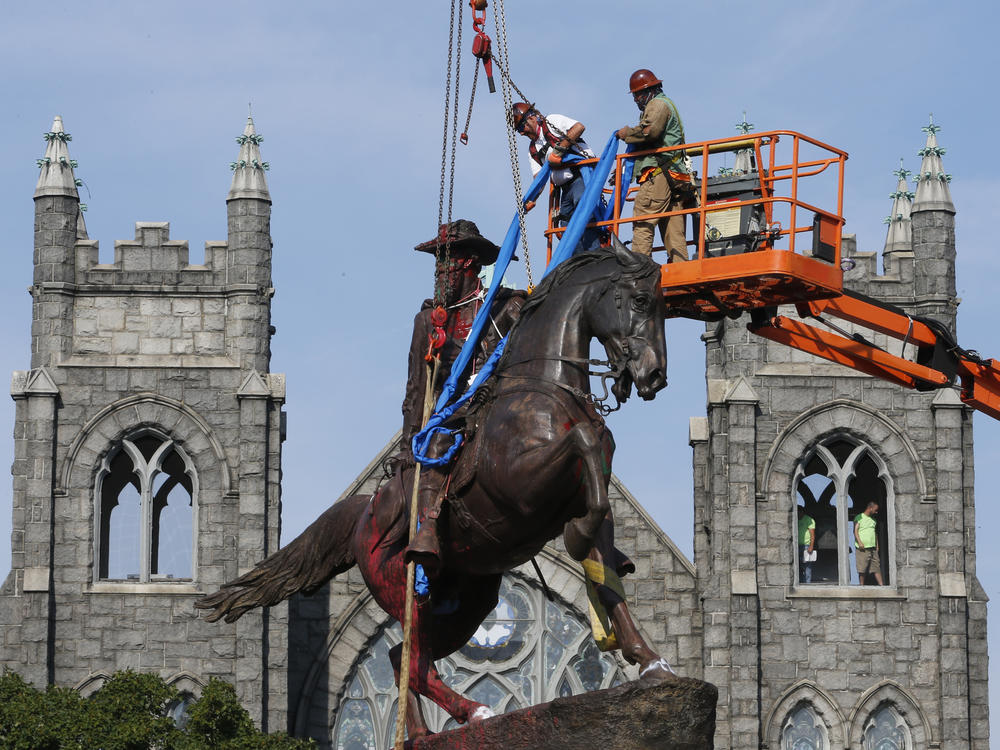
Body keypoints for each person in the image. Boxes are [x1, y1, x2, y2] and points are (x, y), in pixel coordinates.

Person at [401, 220, 526, 576]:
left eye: (447, 263)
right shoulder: (427, 321)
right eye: (437, 264)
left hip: (500, 407)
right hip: (452, 417)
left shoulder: (506, 307)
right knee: (436, 446)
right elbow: (415, 390)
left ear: (471, 264)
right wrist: (408, 445)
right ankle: (427, 531)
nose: (439, 272)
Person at [615, 69, 692, 262]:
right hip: (672, 176)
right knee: (672, 227)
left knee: (643, 221)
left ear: (648, 90)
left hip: (659, 175)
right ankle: (680, 269)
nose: (635, 100)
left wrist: (627, 133)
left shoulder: (657, 104)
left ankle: (637, 272)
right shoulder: (666, 104)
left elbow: (649, 132)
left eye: (637, 95)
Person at [510, 102, 603, 253]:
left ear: (531, 117)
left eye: (521, 127)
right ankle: (581, 260)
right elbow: (538, 179)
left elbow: (579, 127)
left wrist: (559, 150)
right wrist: (532, 199)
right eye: (518, 130)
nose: (521, 133)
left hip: (581, 176)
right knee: (564, 225)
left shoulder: (552, 122)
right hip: (565, 189)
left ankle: (595, 254)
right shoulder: (533, 150)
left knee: (583, 207)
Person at [853, 501, 884, 585]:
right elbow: (855, 531)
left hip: (873, 548)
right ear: (870, 508)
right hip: (863, 548)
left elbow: (874, 533)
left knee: (876, 567)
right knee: (862, 568)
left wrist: (877, 545)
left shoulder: (873, 520)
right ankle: (861, 586)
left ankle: (881, 585)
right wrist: (860, 542)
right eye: (875, 510)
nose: (876, 512)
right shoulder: (859, 517)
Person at [797, 506, 816, 584]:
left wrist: (811, 546)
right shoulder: (794, 519)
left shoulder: (809, 520)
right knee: (798, 566)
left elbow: (812, 534)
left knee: (807, 567)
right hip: (796, 546)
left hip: (806, 546)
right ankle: (800, 582)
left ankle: (807, 583)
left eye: (798, 512)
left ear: (802, 512)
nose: (797, 514)